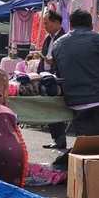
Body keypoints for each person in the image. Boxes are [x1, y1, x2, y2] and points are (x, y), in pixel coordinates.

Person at [49, 9, 99, 168]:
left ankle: (80, 173)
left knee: (84, 142)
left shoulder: (58, 44)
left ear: (71, 25)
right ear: (91, 24)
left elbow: (58, 74)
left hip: (74, 101)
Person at [38, 9, 67, 150]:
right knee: (49, 109)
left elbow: (66, 60)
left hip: (58, 78)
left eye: (46, 23)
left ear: (56, 22)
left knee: (56, 109)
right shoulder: (48, 38)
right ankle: (56, 139)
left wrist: (53, 62)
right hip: (46, 76)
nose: (44, 26)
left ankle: (60, 139)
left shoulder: (65, 37)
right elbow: (44, 56)